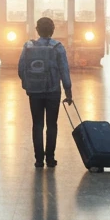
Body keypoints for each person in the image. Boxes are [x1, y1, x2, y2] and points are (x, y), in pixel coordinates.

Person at [18, 16, 73, 168]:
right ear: (53, 30)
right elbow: (64, 71)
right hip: (53, 91)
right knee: (52, 124)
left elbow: (21, 68)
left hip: (34, 92)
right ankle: (50, 158)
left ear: (37, 30)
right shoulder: (58, 47)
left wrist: (28, 85)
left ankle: (38, 160)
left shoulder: (28, 46)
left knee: (37, 124)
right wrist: (68, 92)